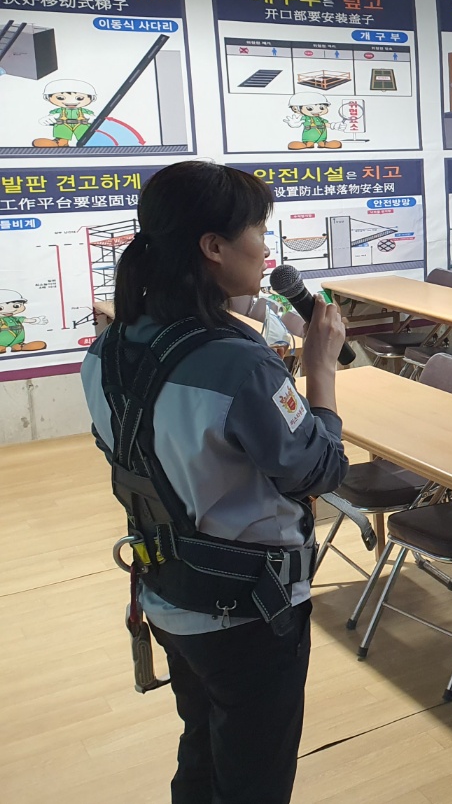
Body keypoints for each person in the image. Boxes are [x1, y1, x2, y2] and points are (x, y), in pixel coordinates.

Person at [82, 161, 349, 804]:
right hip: (248, 615)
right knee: (253, 780)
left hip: (167, 594)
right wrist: (320, 371)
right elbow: (320, 469)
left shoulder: (108, 349)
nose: (265, 247)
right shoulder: (238, 364)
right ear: (213, 247)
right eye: (257, 230)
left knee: (200, 748)